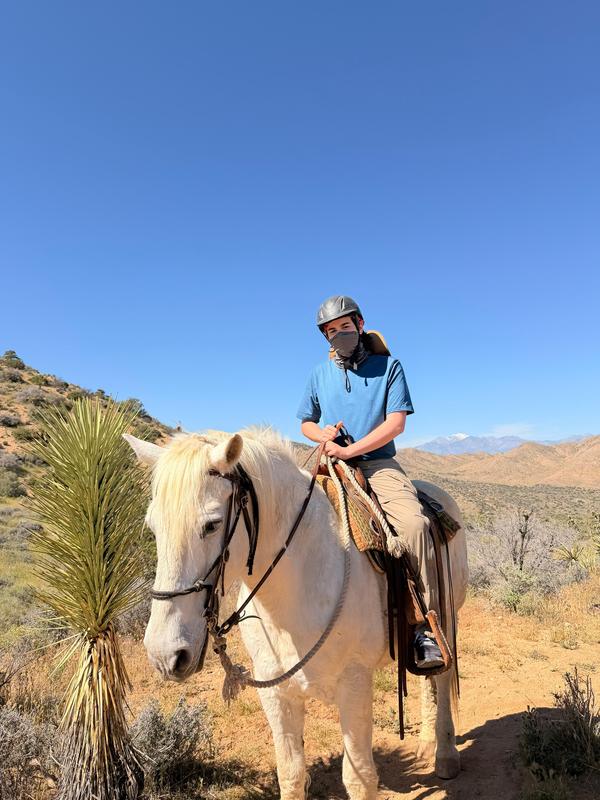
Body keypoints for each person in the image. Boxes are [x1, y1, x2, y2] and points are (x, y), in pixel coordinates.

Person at [296, 294, 444, 669]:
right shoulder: (319, 374)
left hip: (377, 463)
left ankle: (423, 629)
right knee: (289, 515)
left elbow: (396, 423)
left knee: (413, 525)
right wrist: (323, 435)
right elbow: (305, 422)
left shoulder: (389, 367)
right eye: (331, 332)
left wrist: (353, 450)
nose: (339, 336)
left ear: (360, 325)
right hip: (330, 461)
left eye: (344, 327)